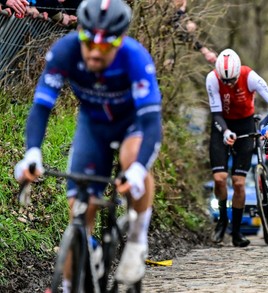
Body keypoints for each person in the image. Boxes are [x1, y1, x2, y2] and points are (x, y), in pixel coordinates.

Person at [13, 0, 161, 290]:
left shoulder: (135, 58)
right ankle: (72, 280)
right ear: (79, 33)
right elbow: (42, 107)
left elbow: (152, 124)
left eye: (105, 47)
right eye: (88, 42)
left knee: (133, 161)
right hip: (93, 127)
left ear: (119, 42)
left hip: (132, 124)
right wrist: (32, 152)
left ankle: (136, 239)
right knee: (79, 210)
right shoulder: (65, 51)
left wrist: (137, 171)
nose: (95, 51)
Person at [207, 48, 268, 247]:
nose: (229, 84)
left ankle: (237, 231)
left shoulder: (250, 76)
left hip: (245, 124)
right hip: (221, 125)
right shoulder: (212, 79)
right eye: (226, 82)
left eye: (232, 80)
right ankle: (223, 220)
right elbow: (216, 113)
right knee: (219, 179)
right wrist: (224, 132)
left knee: (239, 182)